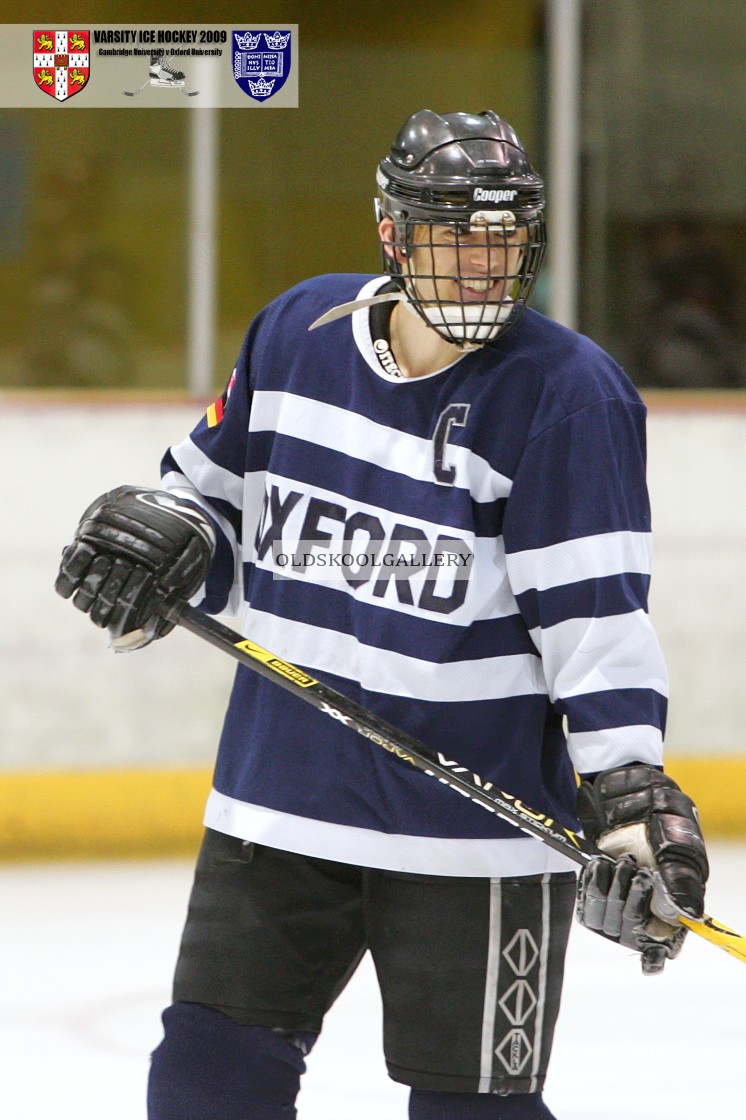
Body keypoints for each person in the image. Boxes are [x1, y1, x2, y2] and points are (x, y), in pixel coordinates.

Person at [55, 110, 709, 1120]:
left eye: (503, 234)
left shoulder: (567, 395)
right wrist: (161, 552)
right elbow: (209, 506)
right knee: (203, 1086)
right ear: (392, 234)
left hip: (472, 832)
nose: (484, 260)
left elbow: (592, 622)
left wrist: (626, 791)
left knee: (471, 1112)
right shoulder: (295, 335)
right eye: (455, 231)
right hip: (280, 801)